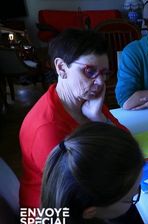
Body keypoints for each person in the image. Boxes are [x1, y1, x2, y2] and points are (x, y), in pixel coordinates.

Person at [19, 29, 127, 211]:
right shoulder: (47, 128)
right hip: (48, 217)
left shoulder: (86, 99)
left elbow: (126, 143)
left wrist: (97, 117)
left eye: (104, 73)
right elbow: (79, 192)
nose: (100, 82)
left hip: (82, 200)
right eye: (89, 71)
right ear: (61, 68)